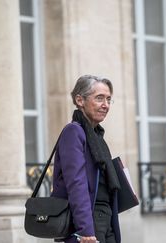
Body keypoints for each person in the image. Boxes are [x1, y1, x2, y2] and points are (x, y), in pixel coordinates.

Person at [51, 75, 121, 243]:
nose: (105, 105)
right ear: (80, 100)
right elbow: (76, 183)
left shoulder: (97, 136)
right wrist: (85, 230)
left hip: (106, 218)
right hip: (90, 221)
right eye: (99, 98)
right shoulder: (73, 132)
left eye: (109, 99)